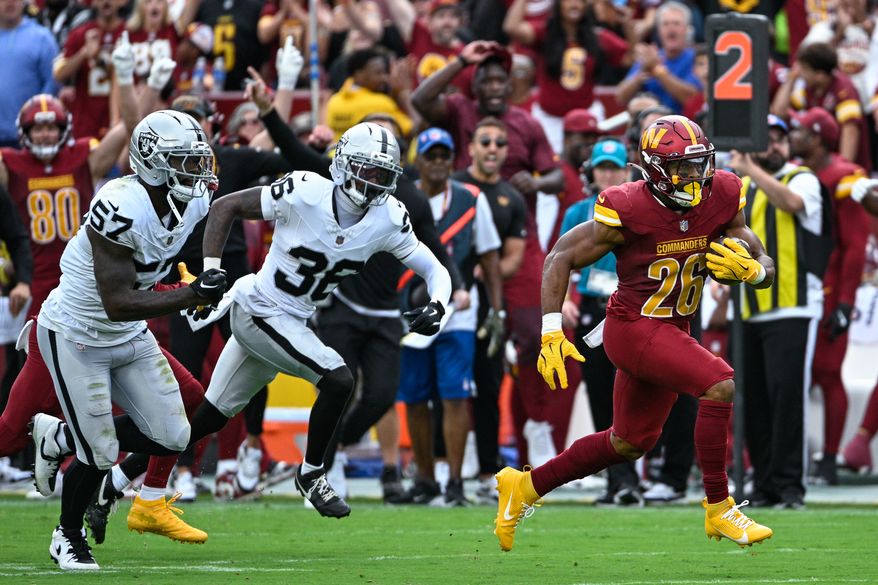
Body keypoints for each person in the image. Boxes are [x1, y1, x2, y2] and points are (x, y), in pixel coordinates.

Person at [493, 115, 776, 552]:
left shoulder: (722, 192)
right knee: (719, 384)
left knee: (628, 442)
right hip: (631, 325)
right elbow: (559, 257)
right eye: (682, 168)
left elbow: (762, 257)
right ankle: (719, 507)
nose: (695, 176)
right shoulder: (627, 206)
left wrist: (755, 272)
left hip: (672, 326)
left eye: (699, 164)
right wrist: (551, 331)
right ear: (656, 170)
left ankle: (525, 487)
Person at [180, 121, 453, 518]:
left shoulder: (389, 218)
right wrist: (210, 270)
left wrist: (439, 304)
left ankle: (110, 473)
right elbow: (226, 205)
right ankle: (312, 474)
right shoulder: (306, 190)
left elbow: (435, 269)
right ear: (343, 164)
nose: (375, 182)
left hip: (291, 319)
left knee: (204, 420)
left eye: (383, 174)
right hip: (259, 306)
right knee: (338, 378)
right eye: (367, 169)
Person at [29, 108, 228, 570]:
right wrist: (189, 294)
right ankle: (67, 534)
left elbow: (144, 287)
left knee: (174, 432)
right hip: (77, 331)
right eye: (185, 160)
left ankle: (59, 436)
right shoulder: (119, 204)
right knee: (97, 451)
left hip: (126, 332)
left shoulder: (193, 201)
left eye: (198, 159)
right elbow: (117, 299)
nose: (197, 171)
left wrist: (202, 282)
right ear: (153, 162)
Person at [394, 127, 503, 506]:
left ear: (453, 160)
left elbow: (488, 255)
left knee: (455, 394)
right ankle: (425, 478)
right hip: (408, 309)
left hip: (457, 310)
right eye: (431, 155)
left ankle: (455, 481)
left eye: (444, 155)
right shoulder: (398, 198)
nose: (438, 162)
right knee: (415, 395)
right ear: (417, 160)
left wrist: (497, 309)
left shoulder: (471, 199)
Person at [729, 115, 829, 509]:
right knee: (753, 400)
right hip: (749, 308)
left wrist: (750, 167)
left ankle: (790, 486)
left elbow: (793, 205)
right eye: (765, 139)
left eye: (778, 139)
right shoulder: (742, 187)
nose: (773, 145)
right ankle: (766, 483)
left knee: (787, 397)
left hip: (794, 305)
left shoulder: (800, 178)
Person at [788, 107, 871, 485]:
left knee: (826, 372)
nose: (793, 135)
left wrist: (844, 302)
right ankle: (793, 456)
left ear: (818, 137)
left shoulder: (843, 177)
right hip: (801, 285)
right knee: (793, 376)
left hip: (830, 287)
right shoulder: (798, 172)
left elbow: (854, 246)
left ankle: (830, 458)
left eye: (801, 130)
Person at [560, 137, 642, 506]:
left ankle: (630, 478)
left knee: (627, 393)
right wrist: (562, 300)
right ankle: (618, 480)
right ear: (591, 172)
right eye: (602, 167)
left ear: (627, 170)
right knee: (597, 395)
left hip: (630, 309)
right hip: (594, 307)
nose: (608, 174)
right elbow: (558, 260)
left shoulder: (640, 210)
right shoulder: (578, 212)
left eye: (614, 167)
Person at [451, 117, 527, 503]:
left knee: (488, 385)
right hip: (447, 299)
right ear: (472, 147)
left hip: (488, 304)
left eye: (500, 142)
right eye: (486, 141)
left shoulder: (511, 199)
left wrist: (488, 266)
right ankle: (438, 469)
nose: (493, 148)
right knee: (442, 386)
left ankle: (485, 471)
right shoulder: (452, 187)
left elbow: (513, 258)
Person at [615, 1, 700, 114]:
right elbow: (620, 97)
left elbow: (691, 98)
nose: (671, 29)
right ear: (658, 30)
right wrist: (640, 74)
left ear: (687, 29)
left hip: (685, 126)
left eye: (676, 24)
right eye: (665, 24)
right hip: (650, 127)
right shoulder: (650, 57)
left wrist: (657, 71)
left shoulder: (696, 58)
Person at [0, 0, 59, 147]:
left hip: (30, 138)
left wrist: (35, 121)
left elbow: (53, 83)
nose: (10, 3)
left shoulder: (42, 37)